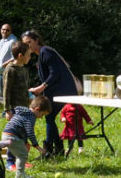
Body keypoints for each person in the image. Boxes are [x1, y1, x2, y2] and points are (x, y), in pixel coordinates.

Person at [23, 29, 79, 158]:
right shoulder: (42, 54)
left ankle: (50, 150)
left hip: (64, 91)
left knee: (49, 116)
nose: (27, 45)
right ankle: (56, 150)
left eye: (29, 42)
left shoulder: (45, 51)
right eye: (25, 43)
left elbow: (55, 73)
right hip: (58, 91)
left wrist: (41, 88)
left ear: (37, 40)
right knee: (49, 117)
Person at [1, 41, 34, 169]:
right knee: (14, 136)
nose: (30, 57)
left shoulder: (24, 69)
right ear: (20, 55)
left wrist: (30, 98)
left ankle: (21, 158)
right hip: (14, 109)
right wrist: (7, 109)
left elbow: (24, 88)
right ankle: (10, 162)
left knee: (23, 135)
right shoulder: (10, 70)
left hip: (24, 108)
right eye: (28, 55)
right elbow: (6, 91)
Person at [0, 96, 51, 178]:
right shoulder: (31, 117)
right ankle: (20, 174)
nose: (41, 117)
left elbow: (14, 111)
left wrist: (25, 142)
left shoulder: (21, 110)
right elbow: (30, 133)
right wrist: (38, 147)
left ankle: (4, 143)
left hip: (6, 133)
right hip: (14, 135)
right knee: (22, 155)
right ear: (37, 109)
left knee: (19, 146)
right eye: (42, 114)